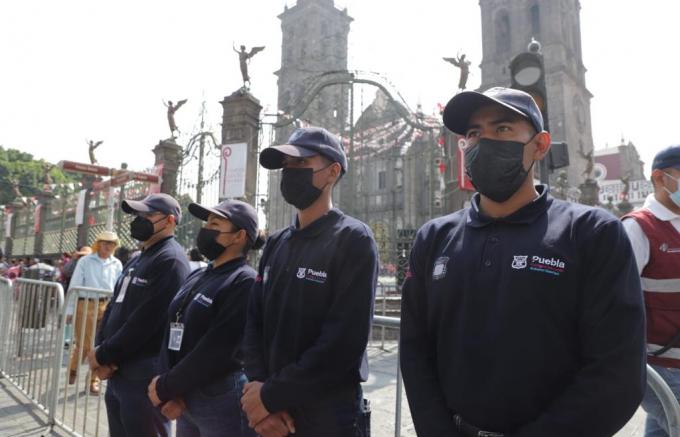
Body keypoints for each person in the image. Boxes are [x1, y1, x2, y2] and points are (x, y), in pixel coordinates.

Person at [399, 87, 646, 437]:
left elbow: (616, 372)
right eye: (473, 133)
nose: (483, 142)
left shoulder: (592, 234)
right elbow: (415, 348)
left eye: (502, 129)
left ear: (540, 145)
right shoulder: (433, 238)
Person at [242, 127, 378, 437]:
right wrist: (262, 397)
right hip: (268, 413)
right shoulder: (276, 243)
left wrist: (270, 396)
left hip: (326, 414)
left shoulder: (353, 240)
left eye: (301, 164)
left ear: (332, 172)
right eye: (287, 166)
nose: (290, 173)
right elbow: (253, 324)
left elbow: (342, 344)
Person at [147, 199, 264, 437]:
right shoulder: (199, 274)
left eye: (215, 224)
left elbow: (217, 349)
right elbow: (171, 330)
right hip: (185, 395)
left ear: (238, 236)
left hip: (220, 399)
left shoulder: (244, 281)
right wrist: (170, 389)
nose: (206, 229)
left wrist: (167, 385)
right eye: (206, 223)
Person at [88, 193, 190, 437]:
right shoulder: (137, 258)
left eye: (148, 215)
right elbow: (114, 306)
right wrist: (100, 351)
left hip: (143, 374)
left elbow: (146, 321)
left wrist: (104, 354)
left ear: (169, 221)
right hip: (117, 370)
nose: (139, 219)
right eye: (137, 214)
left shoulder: (171, 261)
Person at [622, 145, 680, 436]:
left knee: (663, 428)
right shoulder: (638, 229)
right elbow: (616, 302)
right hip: (660, 366)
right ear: (660, 178)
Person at [67, 231, 123, 394]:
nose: (108, 246)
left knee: (98, 345)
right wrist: (70, 309)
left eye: (112, 244)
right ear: (98, 243)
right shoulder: (86, 261)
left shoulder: (117, 264)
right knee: (84, 344)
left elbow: (118, 287)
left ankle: (93, 380)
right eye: (105, 242)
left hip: (106, 305)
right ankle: (73, 369)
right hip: (86, 304)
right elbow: (75, 284)